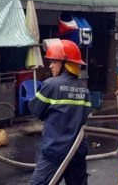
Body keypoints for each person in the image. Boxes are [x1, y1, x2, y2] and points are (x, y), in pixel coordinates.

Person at [29, 39, 91, 185]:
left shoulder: (51, 85)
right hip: (77, 151)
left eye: (54, 62)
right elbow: (83, 116)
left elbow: (36, 110)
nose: (50, 65)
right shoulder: (85, 90)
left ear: (66, 64)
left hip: (54, 151)